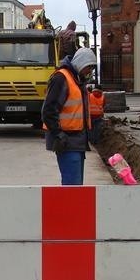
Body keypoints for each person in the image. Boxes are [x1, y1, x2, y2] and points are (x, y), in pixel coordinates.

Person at [42, 47, 97, 185]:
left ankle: (72, 206)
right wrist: (58, 133)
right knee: (72, 186)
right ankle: (69, 207)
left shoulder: (76, 80)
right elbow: (48, 110)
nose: (90, 71)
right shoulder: (62, 78)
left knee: (75, 186)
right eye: (89, 67)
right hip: (67, 141)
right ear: (81, 63)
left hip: (76, 141)